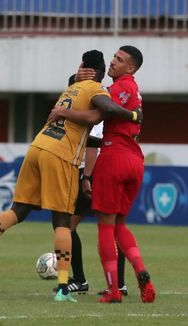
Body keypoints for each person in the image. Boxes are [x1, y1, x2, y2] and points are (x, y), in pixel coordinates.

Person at [0, 50, 142, 303]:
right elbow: (100, 113)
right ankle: (65, 288)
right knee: (65, 222)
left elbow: (79, 95)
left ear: (82, 69)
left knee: (18, 209)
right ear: (99, 73)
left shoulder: (70, 89)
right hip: (61, 154)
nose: (114, 62)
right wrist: (133, 115)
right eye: (111, 60)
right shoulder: (98, 91)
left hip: (37, 146)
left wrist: (76, 80)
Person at [48, 46, 156, 304]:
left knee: (105, 228)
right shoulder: (133, 91)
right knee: (120, 225)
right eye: (114, 57)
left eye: (120, 60)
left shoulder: (120, 87)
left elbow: (95, 115)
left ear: (130, 68)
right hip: (135, 159)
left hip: (114, 157)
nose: (113, 62)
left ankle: (113, 290)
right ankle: (141, 272)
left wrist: (63, 111)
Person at [51, 74, 129, 296]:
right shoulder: (93, 109)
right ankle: (119, 283)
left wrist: (87, 178)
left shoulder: (92, 115)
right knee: (110, 227)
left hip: (94, 174)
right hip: (101, 171)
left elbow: (94, 145)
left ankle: (81, 280)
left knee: (69, 225)